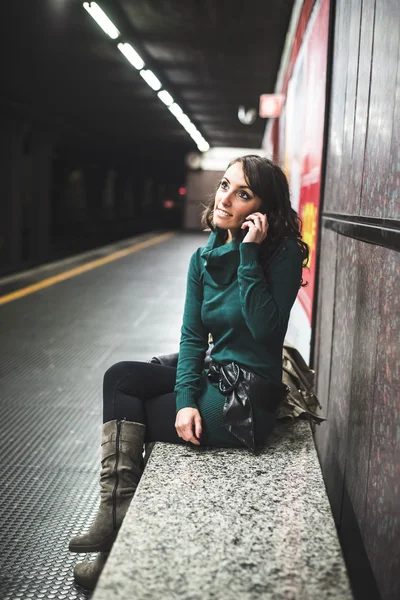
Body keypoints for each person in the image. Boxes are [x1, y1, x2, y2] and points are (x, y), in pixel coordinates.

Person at [69, 154, 309, 588]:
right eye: (224, 186)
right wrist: (184, 402)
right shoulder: (202, 260)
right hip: (214, 369)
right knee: (121, 377)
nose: (226, 199)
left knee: (137, 410)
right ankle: (112, 514)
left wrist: (249, 255)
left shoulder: (281, 254)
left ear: (262, 210)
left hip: (247, 396)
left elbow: (265, 331)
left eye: (243, 193)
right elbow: (192, 340)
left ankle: (113, 548)